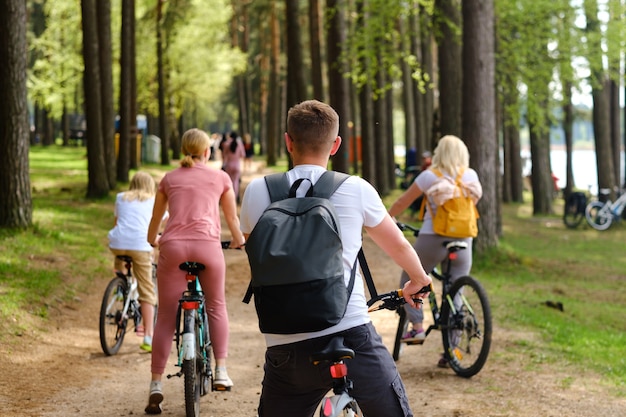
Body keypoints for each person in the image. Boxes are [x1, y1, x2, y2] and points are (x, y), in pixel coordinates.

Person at [239, 100, 432, 417]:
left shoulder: (257, 191)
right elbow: (398, 246)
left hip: (283, 342)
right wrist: (420, 279)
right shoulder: (356, 189)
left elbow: (255, 252)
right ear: (336, 145)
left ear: (288, 141)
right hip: (350, 334)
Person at [145, 128, 246, 415]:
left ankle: (155, 384)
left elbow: (156, 218)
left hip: (173, 248)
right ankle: (222, 370)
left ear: (183, 150)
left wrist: (152, 239)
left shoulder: (169, 178)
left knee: (165, 315)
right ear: (207, 151)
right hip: (208, 248)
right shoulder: (221, 177)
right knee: (216, 306)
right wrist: (238, 240)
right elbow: (231, 217)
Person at [388, 135, 482, 367]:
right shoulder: (470, 175)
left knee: (412, 277)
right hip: (464, 239)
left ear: (440, 153)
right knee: (456, 290)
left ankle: (417, 327)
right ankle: (453, 352)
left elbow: (403, 201)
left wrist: (388, 218)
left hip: (434, 237)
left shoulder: (430, 175)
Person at [107, 171, 158, 353]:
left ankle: (120, 286)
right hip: (140, 245)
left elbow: (117, 223)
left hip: (118, 243)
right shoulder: (153, 200)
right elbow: (159, 225)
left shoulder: (121, 197)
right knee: (147, 290)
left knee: (121, 248)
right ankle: (148, 337)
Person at [221, 131, 246, 203]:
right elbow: (243, 155)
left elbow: (223, 155)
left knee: (229, 182)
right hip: (237, 165)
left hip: (228, 165)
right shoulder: (239, 144)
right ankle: (234, 198)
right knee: (236, 182)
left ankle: (229, 198)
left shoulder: (226, 144)